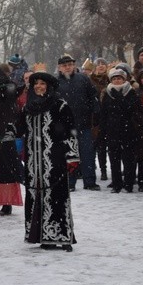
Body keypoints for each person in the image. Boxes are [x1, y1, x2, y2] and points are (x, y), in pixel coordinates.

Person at [18, 72, 78, 251]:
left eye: (42, 83)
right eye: (35, 84)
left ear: (49, 86)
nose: (38, 86)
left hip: (54, 160)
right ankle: (41, 236)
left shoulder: (60, 106)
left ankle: (62, 236)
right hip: (33, 162)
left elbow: (71, 131)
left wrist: (72, 156)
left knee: (57, 197)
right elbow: (19, 129)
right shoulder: (28, 108)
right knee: (36, 196)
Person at [55, 54, 100, 191]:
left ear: (74, 65)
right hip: (65, 126)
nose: (67, 67)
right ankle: (70, 182)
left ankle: (90, 181)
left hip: (84, 123)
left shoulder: (83, 79)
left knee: (88, 154)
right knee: (69, 155)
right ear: (59, 68)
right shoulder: (55, 82)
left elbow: (93, 97)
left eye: (70, 64)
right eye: (64, 65)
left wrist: (95, 113)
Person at [99, 68, 142, 193]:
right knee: (114, 158)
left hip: (129, 130)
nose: (117, 81)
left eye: (119, 78)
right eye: (114, 78)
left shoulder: (131, 92)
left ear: (124, 79)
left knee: (129, 158)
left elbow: (130, 109)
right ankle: (116, 183)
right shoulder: (107, 93)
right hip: (112, 130)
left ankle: (128, 183)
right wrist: (103, 130)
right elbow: (104, 113)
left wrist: (120, 99)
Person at [89, 58, 110, 181]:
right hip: (96, 117)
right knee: (99, 146)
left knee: (112, 146)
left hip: (110, 116)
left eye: (103, 64)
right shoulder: (90, 81)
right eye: (98, 64)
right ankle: (102, 170)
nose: (101, 66)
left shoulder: (110, 79)